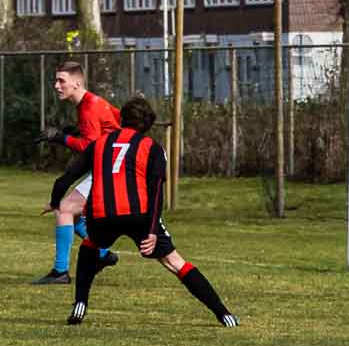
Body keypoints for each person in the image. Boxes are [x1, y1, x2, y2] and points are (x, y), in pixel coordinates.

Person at [64, 96, 235, 328]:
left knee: (90, 246)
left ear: (122, 118)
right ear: (148, 125)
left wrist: (56, 198)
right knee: (175, 263)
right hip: (140, 217)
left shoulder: (101, 143)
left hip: (104, 214)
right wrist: (152, 230)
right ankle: (223, 313)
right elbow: (156, 192)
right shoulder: (153, 148)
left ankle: (80, 303)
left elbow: (71, 172)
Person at [34, 60, 124, 284]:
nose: (56, 85)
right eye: (56, 80)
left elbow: (89, 146)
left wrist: (60, 137)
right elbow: (116, 119)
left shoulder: (89, 106)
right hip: (109, 165)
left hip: (109, 168)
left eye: (61, 81)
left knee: (64, 209)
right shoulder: (92, 102)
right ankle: (102, 255)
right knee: (71, 213)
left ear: (77, 83)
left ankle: (60, 272)